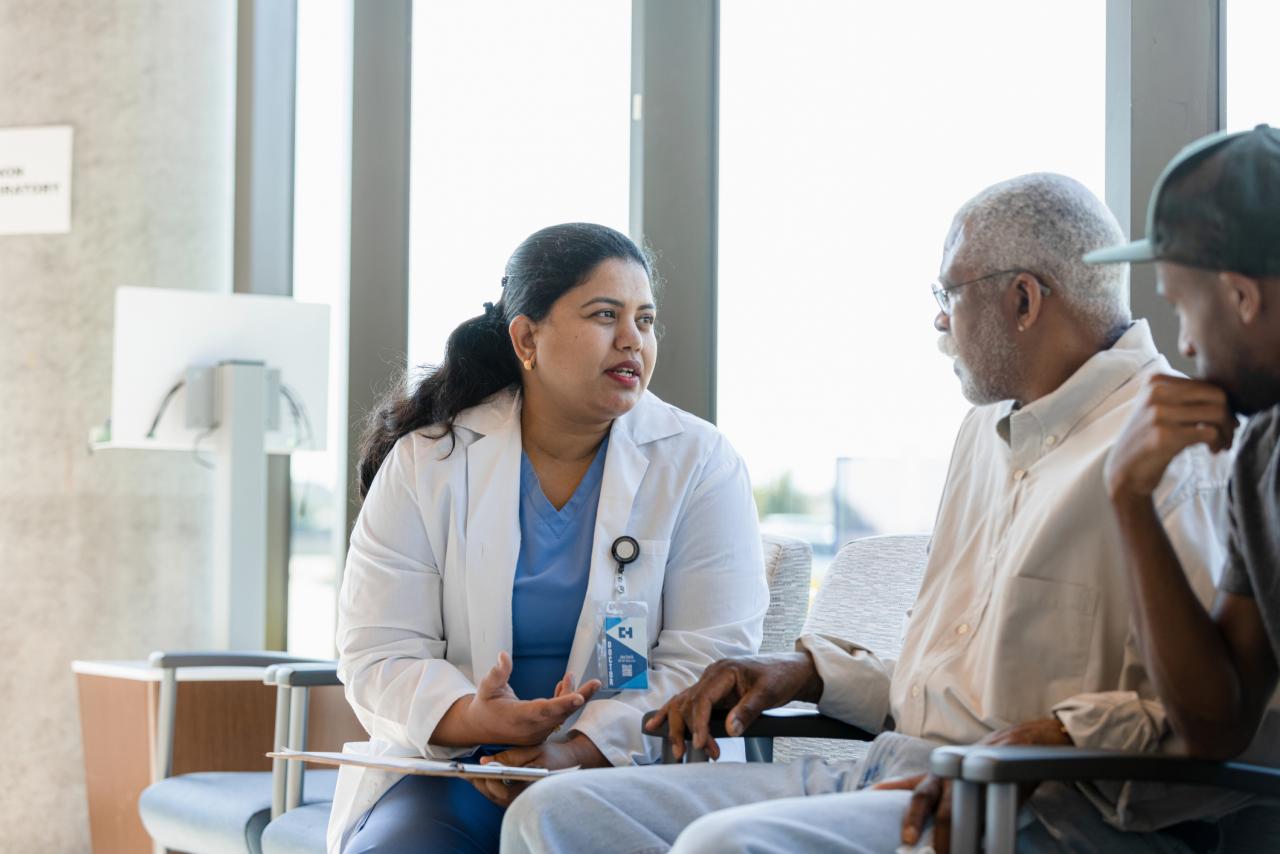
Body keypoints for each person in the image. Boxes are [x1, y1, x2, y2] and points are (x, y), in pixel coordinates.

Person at [501, 176, 1236, 854]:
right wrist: (806, 671)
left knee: (722, 848)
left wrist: (1025, 746)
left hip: (1037, 811)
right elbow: (951, 688)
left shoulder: (1173, 450)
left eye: (950, 292)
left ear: (1022, 301)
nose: (939, 318)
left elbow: (1200, 720)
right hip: (894, 766)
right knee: (555, 812)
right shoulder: (987, 433)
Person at [327, 222, 769, 853]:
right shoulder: (431, 461)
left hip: (627, 773)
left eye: (645, 320)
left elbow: (708, 658)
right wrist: (474, 719)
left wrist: (576, 750)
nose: (631, 341)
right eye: (604, 315)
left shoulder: (697, 460)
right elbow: (379, 651)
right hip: (463, 767)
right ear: (527, 337)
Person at [1093, 125, 1280, 762]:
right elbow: (1218, 726)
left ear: (1240, 296)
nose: (1188, 347)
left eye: (1179, 306)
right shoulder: (1259, 454)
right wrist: (1129, 497)